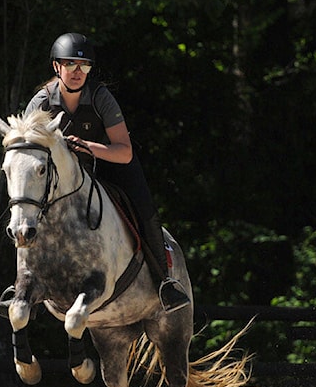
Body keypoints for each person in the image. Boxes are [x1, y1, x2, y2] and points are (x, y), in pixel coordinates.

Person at [12, 32, 191, 314]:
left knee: (144, 206)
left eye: (84, 67)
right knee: (25, 208)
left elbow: (125, 151)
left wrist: (88, 147)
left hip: (108, 163)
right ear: (56, 67)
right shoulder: (41, 102)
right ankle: (20, 287)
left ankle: (165, 282)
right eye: (70, 65)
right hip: (60, 179)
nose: (77, 72)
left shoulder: (100, 97)